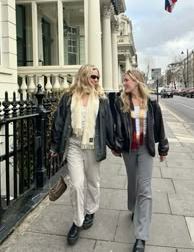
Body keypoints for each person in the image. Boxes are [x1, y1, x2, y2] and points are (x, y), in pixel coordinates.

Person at [51, 64, 114, 245]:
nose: (95, 80)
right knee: (77, 184)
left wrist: (115, 145)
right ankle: (77, 222)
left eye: (97, 78)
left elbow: (107, 125)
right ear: (84, 76)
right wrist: (55, 147)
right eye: (92, 77)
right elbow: (59, 122)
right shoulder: (69, 97)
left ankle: (91, 210)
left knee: (93, 181)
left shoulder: (101, 99)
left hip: (93, 146)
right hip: (74, 145)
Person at [112, 69, 169, 252]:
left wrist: (163, 148)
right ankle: (133, 207)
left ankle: (141, 237)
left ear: (137, 81)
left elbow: (159, 126)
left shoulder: (151, 103)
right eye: (124, 80)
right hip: (129, 149)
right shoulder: (121, 102)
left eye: (127, 80)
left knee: (145, 189)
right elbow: (116, 126)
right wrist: (115, 145)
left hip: (145, 149)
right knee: (133, 184)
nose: (124, 83)